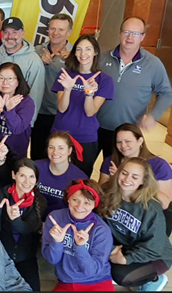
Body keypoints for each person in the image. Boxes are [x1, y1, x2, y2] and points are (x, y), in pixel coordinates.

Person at [97, 17, 172, 159]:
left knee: (118, 173)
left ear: (143, 36)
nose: (130, 37)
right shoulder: (102, 58)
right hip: (94, 126)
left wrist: (153, 116)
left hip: (126, 133)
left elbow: (166, 93)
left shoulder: (153, 64)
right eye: (126, 32)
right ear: (120, 33)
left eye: (136, 33)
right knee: (83, 169)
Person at [100, 157, 172, 291]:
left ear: (142, 181)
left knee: (121, 275)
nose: (127, 179)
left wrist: (126, 260)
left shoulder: (150, 207)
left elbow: (153, 248)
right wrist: (112, 248)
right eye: (124, 173)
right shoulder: (107, 194)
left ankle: (154, 279)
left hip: (154, 255)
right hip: (125, 245)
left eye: (134, 177)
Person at [51, 34, 114, 176]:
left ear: (95, 52)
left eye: (88, 49)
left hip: (85, 136)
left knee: (80, 179)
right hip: (60, 134)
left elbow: (90, 112)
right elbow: (62, 108)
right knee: (56, 174)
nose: (83, 54)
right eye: (79, 49)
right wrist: (67, 89)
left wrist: (89, 94)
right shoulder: (65, 74)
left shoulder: (104, 80)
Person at [42, 179, 115, 291]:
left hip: (96, 282)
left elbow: (91, 271)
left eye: (87, 202)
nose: (80, 206)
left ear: (94, 205)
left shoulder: (101, 230)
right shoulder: (55, 218)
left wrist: (80, 247)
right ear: (68, 199)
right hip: (66, 282)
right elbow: (52, 259)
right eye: (75, 199)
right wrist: (57, 242)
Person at [0, 158, 46, 291]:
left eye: (31, 177)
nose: (27, 182)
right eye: (22, 175)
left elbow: (28, 230)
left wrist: (15, 219)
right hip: (1, 256)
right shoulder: (0, 196)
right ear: (14, 175)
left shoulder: (40, 200)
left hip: (26, 256)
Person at [0, 17, 45, 125]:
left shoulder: (33, 61)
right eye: (6, 32)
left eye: (14, 32)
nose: (10, 37)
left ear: (22, 33)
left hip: (18, 120)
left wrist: (29, 122)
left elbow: (36, 94)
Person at [99, 123, 172, 217]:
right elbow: (101, 193)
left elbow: (165, 204)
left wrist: (131, 181)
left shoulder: (159, 165)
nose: (123, 146)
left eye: (128, 141)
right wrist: (115, 180)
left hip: (147, 217)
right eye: (119, 142)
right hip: (117, 213)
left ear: (140, 141)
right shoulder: (111, 161)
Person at [31, 14, 73, 160]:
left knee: (57, 155)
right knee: (37, 153)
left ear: (69, 32)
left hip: (61, 112)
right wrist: (38, 61)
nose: (56, 33)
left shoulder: (76, 54)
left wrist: (72, 63)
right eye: (52, 28)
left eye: (61, 29)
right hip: (37, 110)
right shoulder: (36, 50)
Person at [0, 62, 35, 158]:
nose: (5, 82)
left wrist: (10, 110)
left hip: (16, 152)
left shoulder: (27, 102)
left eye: (10, 78)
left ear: (18, 81)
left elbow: (17, 129)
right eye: (1, 78)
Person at [36, 132, 88, 217]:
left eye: (61, 148)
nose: (55, 152)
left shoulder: (79, 178)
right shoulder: (35, 167)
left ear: (69, 151)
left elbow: (78, 210)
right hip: (31, 220)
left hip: (59, 223)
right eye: (51, 147)